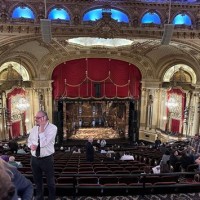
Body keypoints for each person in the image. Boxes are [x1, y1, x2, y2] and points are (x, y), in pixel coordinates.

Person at [27, 110, 57, 200]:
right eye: (35, 117)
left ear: (45, 118)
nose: (36, 119)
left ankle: (52, 198)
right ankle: (39, 198)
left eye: (38, 118)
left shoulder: (53, 128)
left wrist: (42, 128)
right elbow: (29, 141)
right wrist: (30, 146)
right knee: (37, 182)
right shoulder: (34, 128)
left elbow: (43, 143)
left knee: (50, 182)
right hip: (34, 159)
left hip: (47, 159)